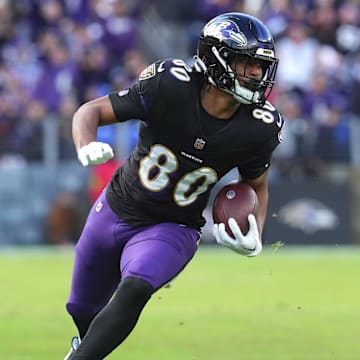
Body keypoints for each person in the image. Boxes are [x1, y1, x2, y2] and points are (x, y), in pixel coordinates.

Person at [64, 12, 283, 360]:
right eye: (245, 63)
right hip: (117, 207)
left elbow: (256, 185)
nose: (256, 74)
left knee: (135, 286)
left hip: (174, 225)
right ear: (217, 58)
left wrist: (256, 230)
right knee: (81, 308)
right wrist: (85, 143)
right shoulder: (170, 84)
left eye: (259, 66)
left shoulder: (259, 126)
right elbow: (89, 112)